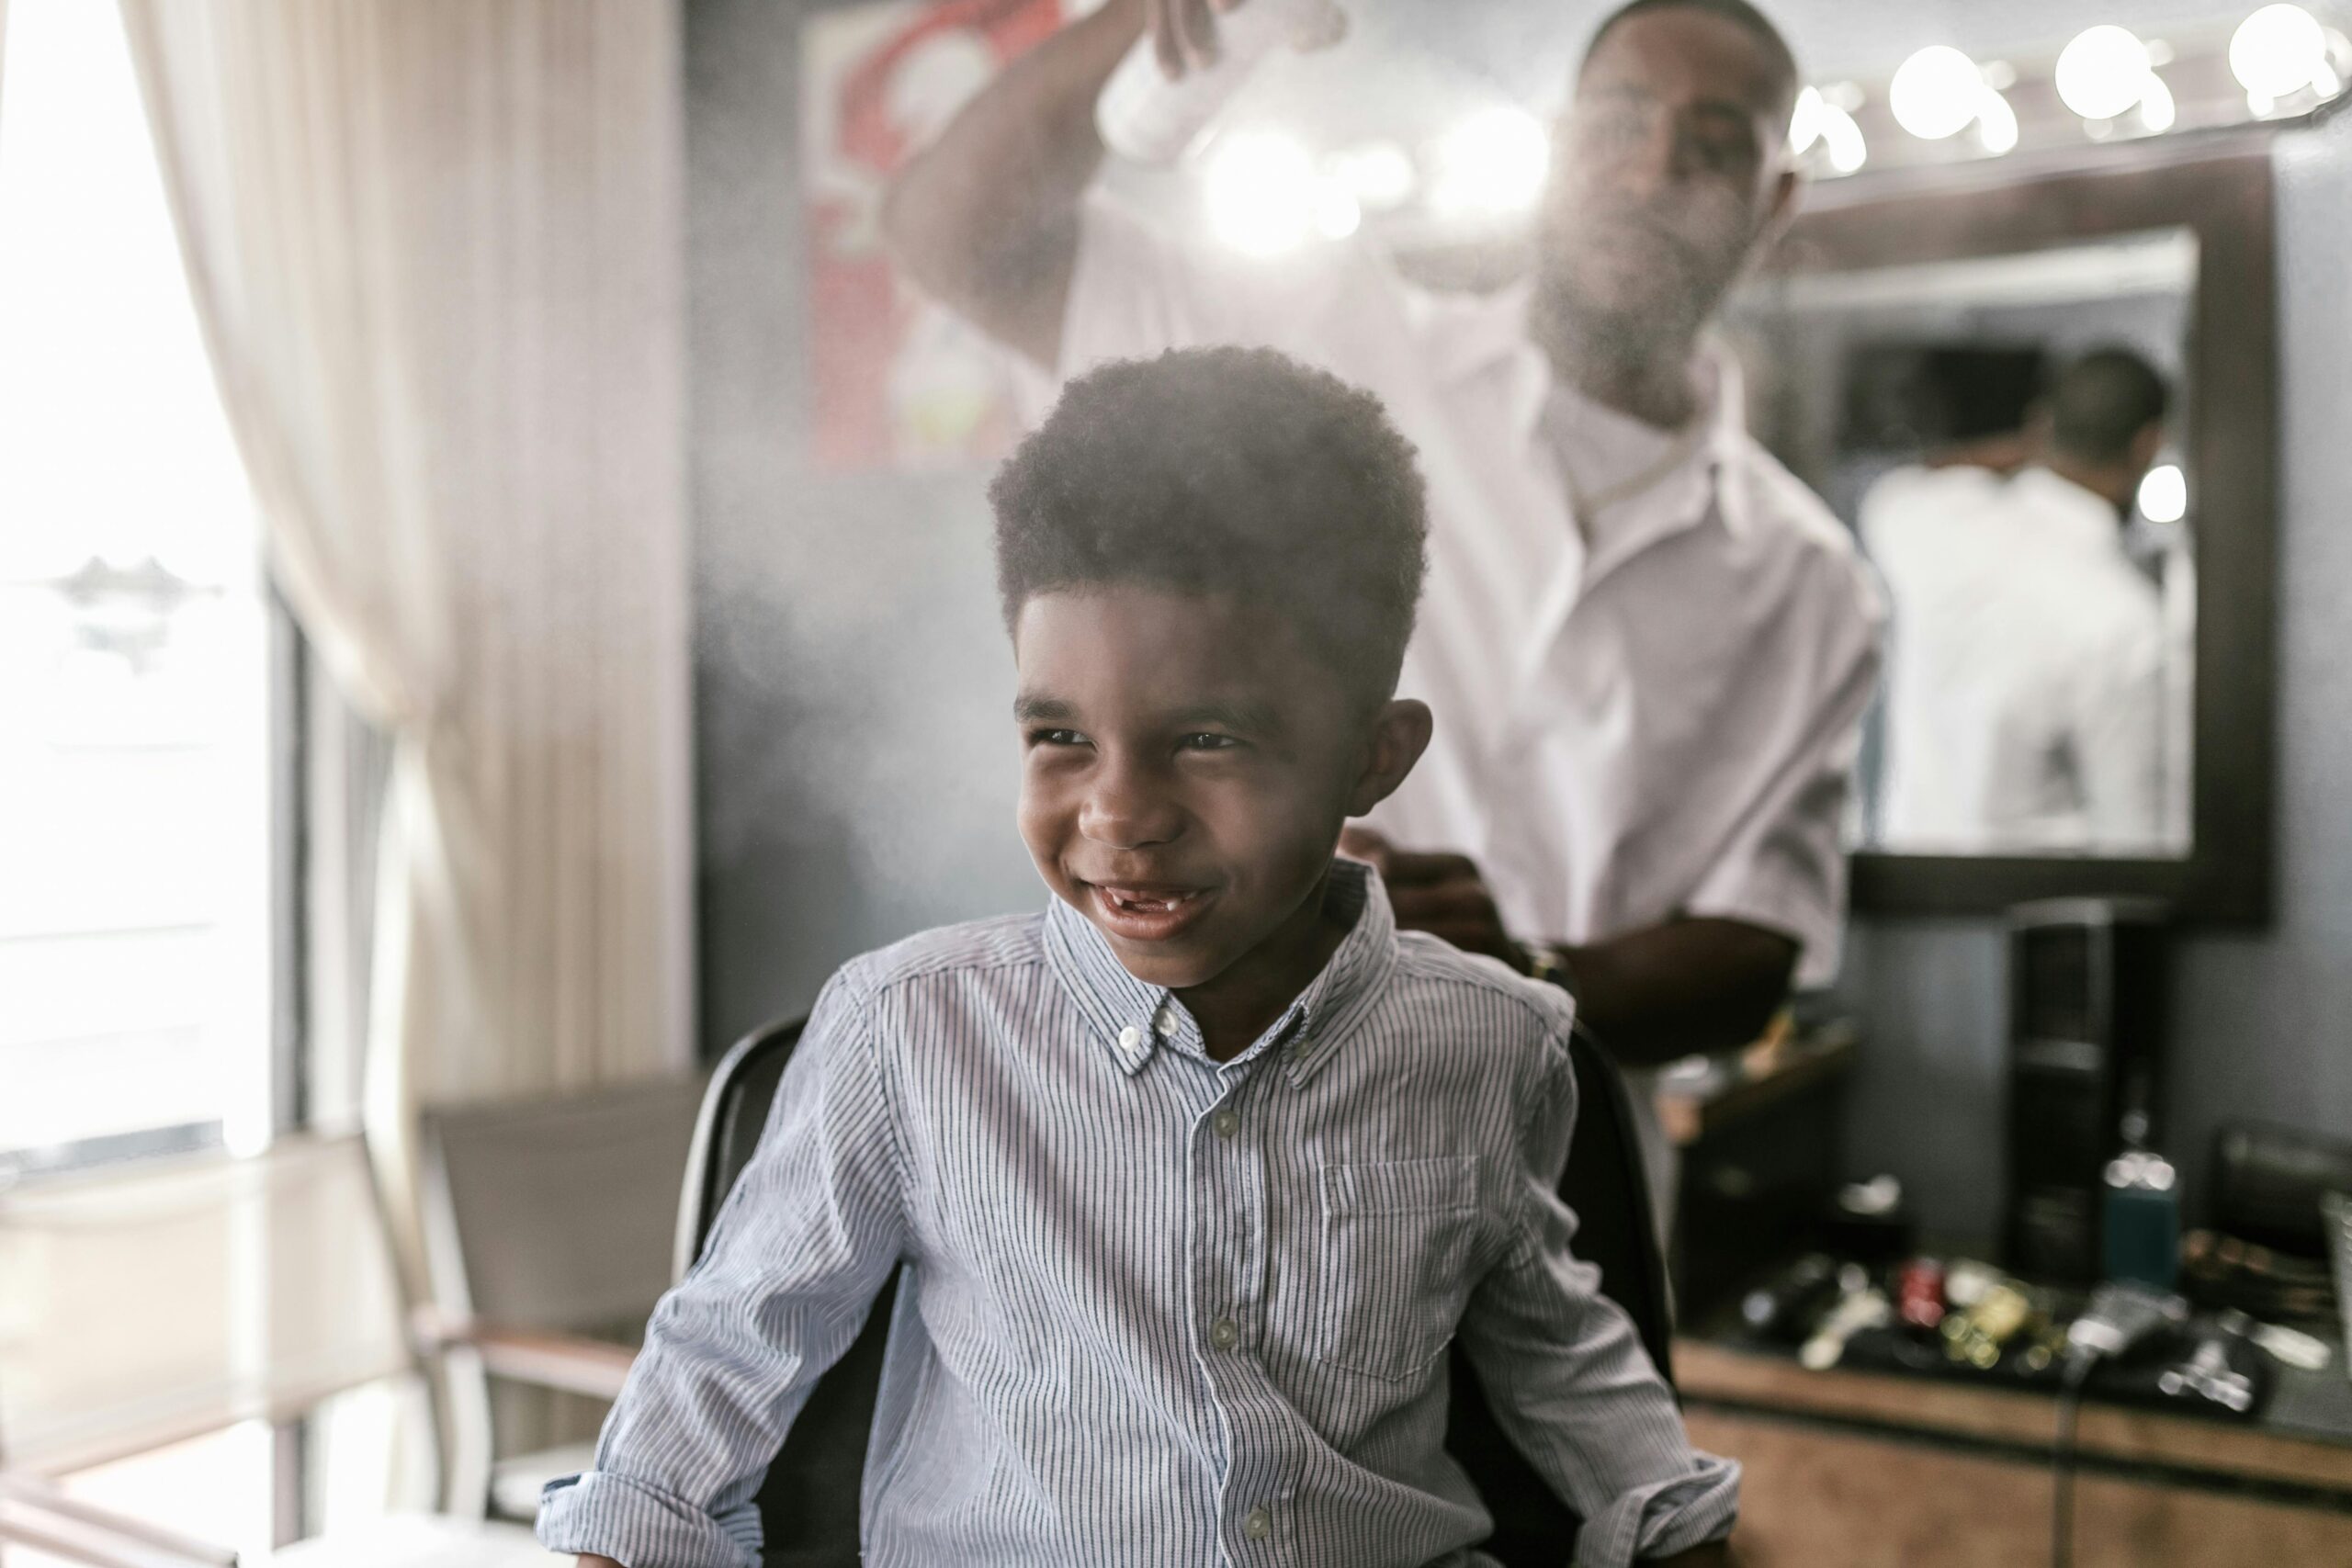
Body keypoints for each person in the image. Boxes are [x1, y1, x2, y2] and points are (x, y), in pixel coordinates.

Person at [537, 348, 1736, 1567]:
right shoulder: (907, 1032)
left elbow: (1563, 1354)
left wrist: (1674, 1523)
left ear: (1375, 756)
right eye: (1061, 735)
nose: (1120, 814)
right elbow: (722, 1360)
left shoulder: (1495, 1042)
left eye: (1206, 739)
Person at [881, 0, 1885, 1221]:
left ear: (1773, 202)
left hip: (1553, 1206)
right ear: (1560, 144)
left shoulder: (1807, 578)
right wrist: (1161, 18)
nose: (1654, 170)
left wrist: (1522, 974)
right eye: (1620, 122)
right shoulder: (1319, 347)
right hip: (1217, 1174)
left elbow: (1750, 948)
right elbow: (954, 237)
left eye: (1715, 144)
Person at [1863, 347, 2175, 853]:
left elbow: (1904, 482)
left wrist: (2038, 449)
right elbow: (2136, 841)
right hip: (2032, 912)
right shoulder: (2125, 618)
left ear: (2040, 425)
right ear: (2148, 445)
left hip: (1908, 897)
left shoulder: (1930, 521)